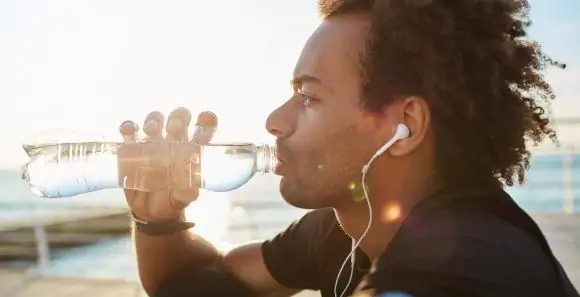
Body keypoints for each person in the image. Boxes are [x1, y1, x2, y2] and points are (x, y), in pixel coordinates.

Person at [118, 0, 578, 296]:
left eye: (309, 97)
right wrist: (158, 219)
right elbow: (197, 283)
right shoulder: (346, 227)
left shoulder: (471, 268)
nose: (275, 121)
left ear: (406, 126)